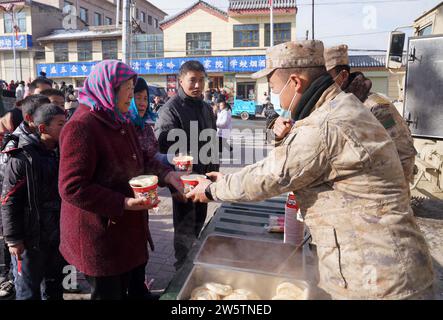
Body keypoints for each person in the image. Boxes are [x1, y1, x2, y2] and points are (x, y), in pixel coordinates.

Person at [186, 40, 435, 300]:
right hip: (390, 268)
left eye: (273, 88)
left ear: (295, 83)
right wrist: (228, 179)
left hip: (378, 280)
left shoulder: (324, 124)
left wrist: (213, 190)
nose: (274, 97)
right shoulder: (342, 107)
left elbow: (272, 175)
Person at [58, 60, 184, 300]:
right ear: (107, 88)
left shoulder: (120, 118)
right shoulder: (82, 126)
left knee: (137, 289)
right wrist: (124, 203)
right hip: (100, 234)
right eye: (126, 90)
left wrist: (168, 175)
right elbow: (71, 187)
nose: (131, 96)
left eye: (132, 88)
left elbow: (143, 160)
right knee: (109, 294)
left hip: (129, 230)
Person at [155, 60, 219, 270]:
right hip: (183, 184)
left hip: (204, 181)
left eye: (201, 80)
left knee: (199, 224)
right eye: (192, 80)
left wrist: (213, 175)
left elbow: (212, 141)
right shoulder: (170, 110)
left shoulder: (206, 108)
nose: (197, 85)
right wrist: (175, 186)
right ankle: (180, 275)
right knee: (184, 232)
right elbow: (164, 151)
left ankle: (194, 268)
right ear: (180, 80)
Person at [324, 45, 417, 185]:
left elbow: (404, 154)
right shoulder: (331, 106)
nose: (322, 84)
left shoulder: (377, 108)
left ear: (343, 76)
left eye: (326, 78)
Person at [1, 103, 67, 300]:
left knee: (56, 288)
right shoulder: (22, 157)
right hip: (30, 241)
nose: (66, 128)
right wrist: (13, 239)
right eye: (60, 124)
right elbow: (8, 200)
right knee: (28, 291)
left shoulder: (61, 153)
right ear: (42, 128)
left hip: (57, 238)